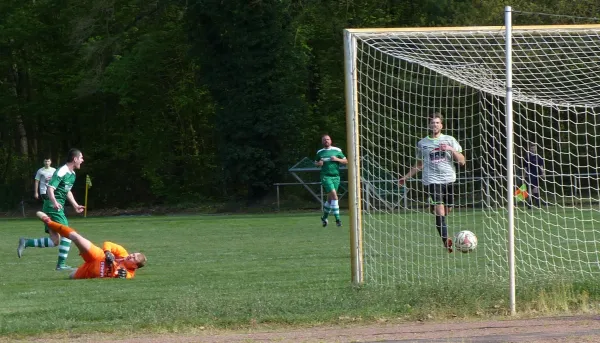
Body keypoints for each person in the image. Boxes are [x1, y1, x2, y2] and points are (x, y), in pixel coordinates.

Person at [399, 113, 466, 252]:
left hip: (448, 179)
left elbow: (462, 161)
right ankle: (446, 241)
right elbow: (419, 164)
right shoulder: (422, 143)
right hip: (432, 180)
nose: (435, 125)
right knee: (440, 211)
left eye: (437, 123)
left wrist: (450, 149)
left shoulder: (449, 140)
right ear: (429, 125)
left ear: (441, 125)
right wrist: (405, 177)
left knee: (447, 210)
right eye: (432, 123)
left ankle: (433, 206)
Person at [17, 148, 86, 270]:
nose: (82, 160)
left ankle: (26, 242)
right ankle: (61, 265)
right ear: (75, 159)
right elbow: (50, 188)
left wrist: (75, 205)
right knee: (68, 233)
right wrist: (54, 202)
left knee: (55, 240)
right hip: (52, 206)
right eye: (81, 158)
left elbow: (67, 191)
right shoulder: (62, 171)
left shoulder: (72, 174)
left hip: (54, 206)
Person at [33, 211, 146, 279]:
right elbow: (108, 243)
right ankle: (49, 222)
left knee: (71, 276)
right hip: (97, 256)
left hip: (89, 271)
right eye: (133, 254)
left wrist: (122, 275)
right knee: (77, 237)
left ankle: (79, 269)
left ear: (135, 266)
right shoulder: (123, 253)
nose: (131, 255)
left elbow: (126, 276)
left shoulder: (129, 273)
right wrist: (108, 252)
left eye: (133, 258)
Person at [315, 134, 348, 227]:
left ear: (331, 141)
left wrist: (336, 159)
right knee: (334, 196)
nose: (326, 141)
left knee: (330, 199)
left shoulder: (337, 150)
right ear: (322, 142)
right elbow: (316, 163)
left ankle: (324, 218)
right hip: (325, 176)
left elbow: (346, 161)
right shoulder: (320, 152)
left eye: (328, 139)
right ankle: (338, 219)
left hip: (336, 177)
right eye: (324, 140)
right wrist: (319, 163)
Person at [523, 143, 545, 208]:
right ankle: (538, 205)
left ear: (536, 149)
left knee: (535, 190)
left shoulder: (538, 157)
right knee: (535, 189)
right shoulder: (527, 157)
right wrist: (524, 176)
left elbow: (541, 166)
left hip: (537, 175)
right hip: (530, 175)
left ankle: (529, 205)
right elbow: (525, 168)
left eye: (534, 148)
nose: (533, 149)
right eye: (531, 148)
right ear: (529, 149)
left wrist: (543, 173)